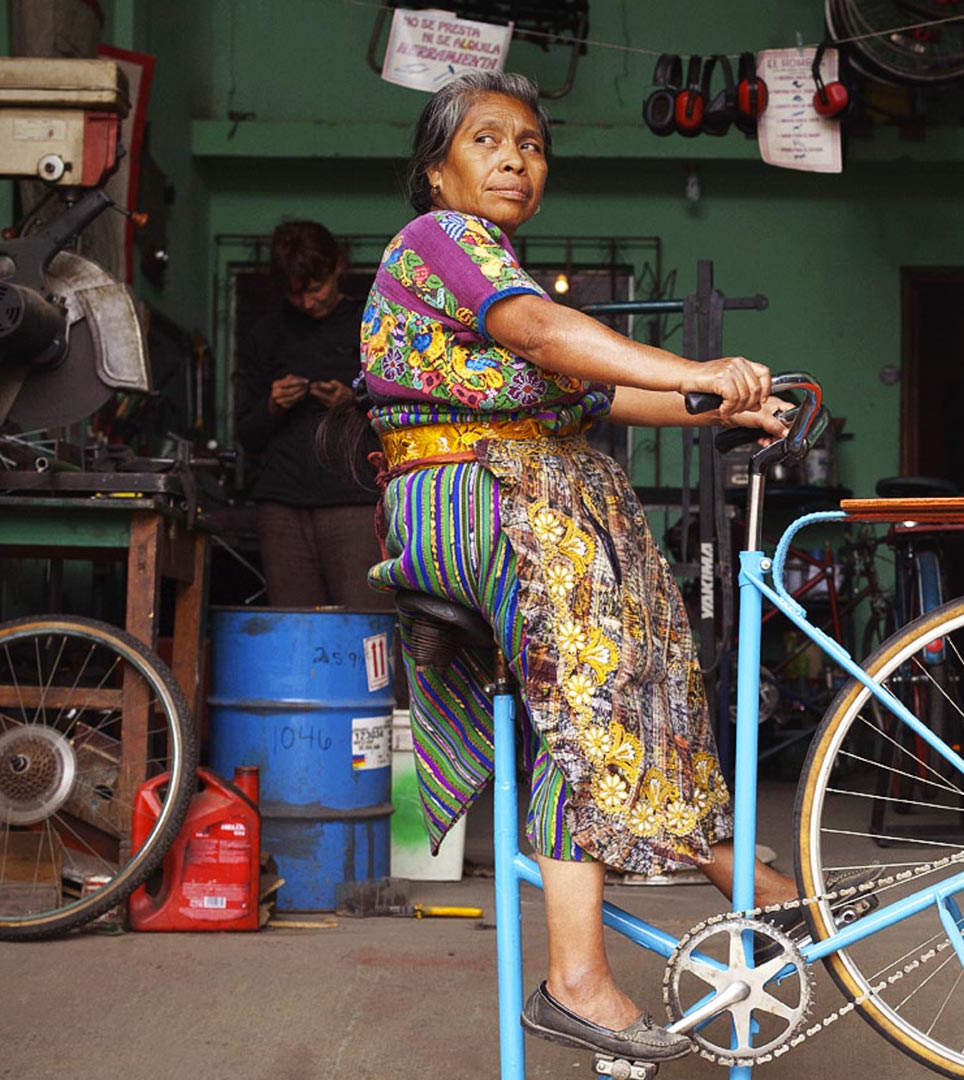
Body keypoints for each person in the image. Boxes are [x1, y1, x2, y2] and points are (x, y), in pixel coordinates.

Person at [358, 71, 804, 1064]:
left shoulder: (500, 277)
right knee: (591, 685)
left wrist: (721, 407)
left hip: (521, 491)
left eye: (531, 143)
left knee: (648, 675)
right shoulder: (446, 247)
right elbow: (548, 335)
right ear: (438, 173)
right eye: (487, 140)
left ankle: (751, 883)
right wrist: (695, 370)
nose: (515, 157)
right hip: (469, 495)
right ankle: (574, 980)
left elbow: (594, 396)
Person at [233, 221, 386, 608]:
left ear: (337, 266)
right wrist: (272, 404)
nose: (307, 302)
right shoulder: (266, 333)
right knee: (295, 625)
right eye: (295, 293)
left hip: (355, 499)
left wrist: (352, 407)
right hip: (283, 504)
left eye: (315, 289)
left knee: (365, 622)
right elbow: (247, 433)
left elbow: (400, 418)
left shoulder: (369, 324)